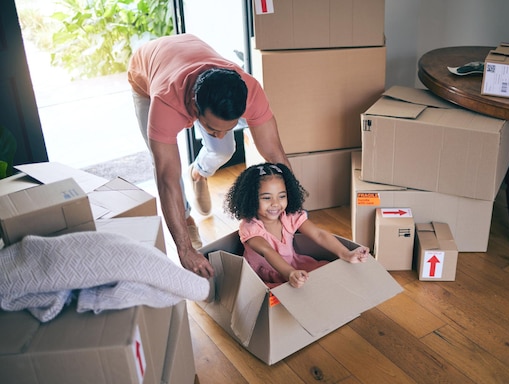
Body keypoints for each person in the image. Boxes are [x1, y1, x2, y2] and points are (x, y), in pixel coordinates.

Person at [127, 34, 290, 279]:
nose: (221, 132)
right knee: (161, 162)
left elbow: (275, 153)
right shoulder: (165, 103)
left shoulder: (249, 90)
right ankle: (187, 218)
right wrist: (185, 249)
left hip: (188, 54)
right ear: (194, 109)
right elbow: (167, 179)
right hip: (146, 77)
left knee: (225, 149)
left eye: (230, 127)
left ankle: (199, 171)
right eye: (212, 128)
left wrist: (293, 211)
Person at [224, 163, 369, 288]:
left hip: (294, 264)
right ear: (250, 200)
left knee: (327, 270)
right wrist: (289, 273)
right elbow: (267, 251)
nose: (276, 203)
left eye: (282, 196)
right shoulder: (250, 227)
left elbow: (318, 234)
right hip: (266, 275)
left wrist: (346, 253)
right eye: (267, 198)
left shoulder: (289, 217)